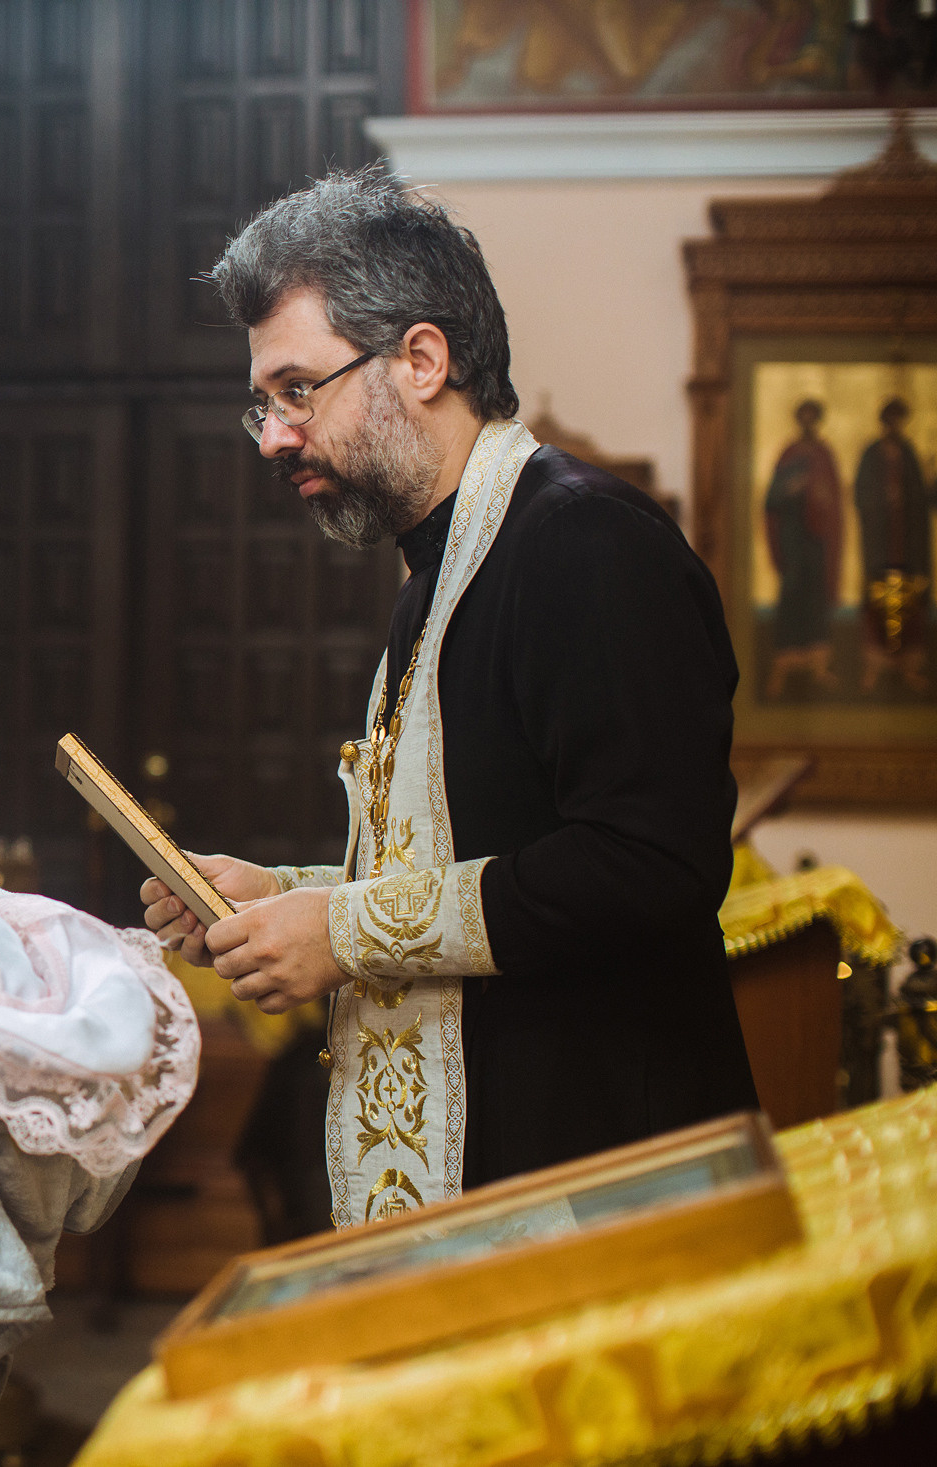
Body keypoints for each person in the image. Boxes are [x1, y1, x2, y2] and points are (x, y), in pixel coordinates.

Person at [141, 167, 757, 1225]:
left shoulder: (583, 542)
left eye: (298, 390)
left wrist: (345, 931)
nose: (275, 437)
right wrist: (288, 893)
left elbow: (653, 860)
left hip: (598, 1182)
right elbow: (484, 840)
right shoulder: (443, 571)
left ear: (421, 359)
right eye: (262, 406)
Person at [762, 399, 842, 698]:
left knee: (815, 595)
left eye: (813, 417)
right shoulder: (789, 454)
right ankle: (782, 667)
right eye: (804, 416)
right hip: (793, 537)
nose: (809, 422)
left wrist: (823, 498)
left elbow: (835, 499)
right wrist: (789, 489)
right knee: (792, 592)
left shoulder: (824, 454)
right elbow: (771, 499)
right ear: (799, 420)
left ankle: (818, 666)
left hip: (817, 539)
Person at [852, 397, 931, 695]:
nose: (895, 425)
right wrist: (884, 499)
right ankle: (875, 667)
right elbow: (861, 494)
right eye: (891, 419)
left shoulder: (909, 453)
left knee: (909, 604)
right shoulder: (872, 455)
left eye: (900, 419)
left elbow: (920, 500)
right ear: (884, 421)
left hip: (906, 548)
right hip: (880, 547)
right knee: (877, 604)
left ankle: (908, 668)